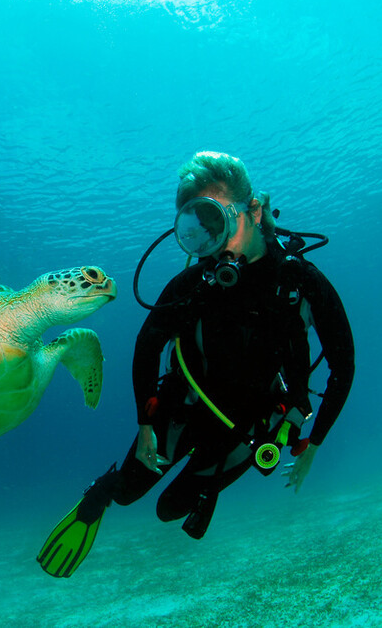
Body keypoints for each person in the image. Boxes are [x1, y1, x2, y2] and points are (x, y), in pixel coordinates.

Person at [37, 151, 355, 578]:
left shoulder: (300, 282)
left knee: (170, 509)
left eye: (219, 222)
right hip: (182, 405)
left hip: (248, 426)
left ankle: (204, 484)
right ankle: (99, 495)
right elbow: (147, 346)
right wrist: (145, 425)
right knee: (127, 492)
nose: (215, 243)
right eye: (201, 229)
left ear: (253, 211)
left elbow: (343, 365)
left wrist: (313, 443)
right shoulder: (194, 285)